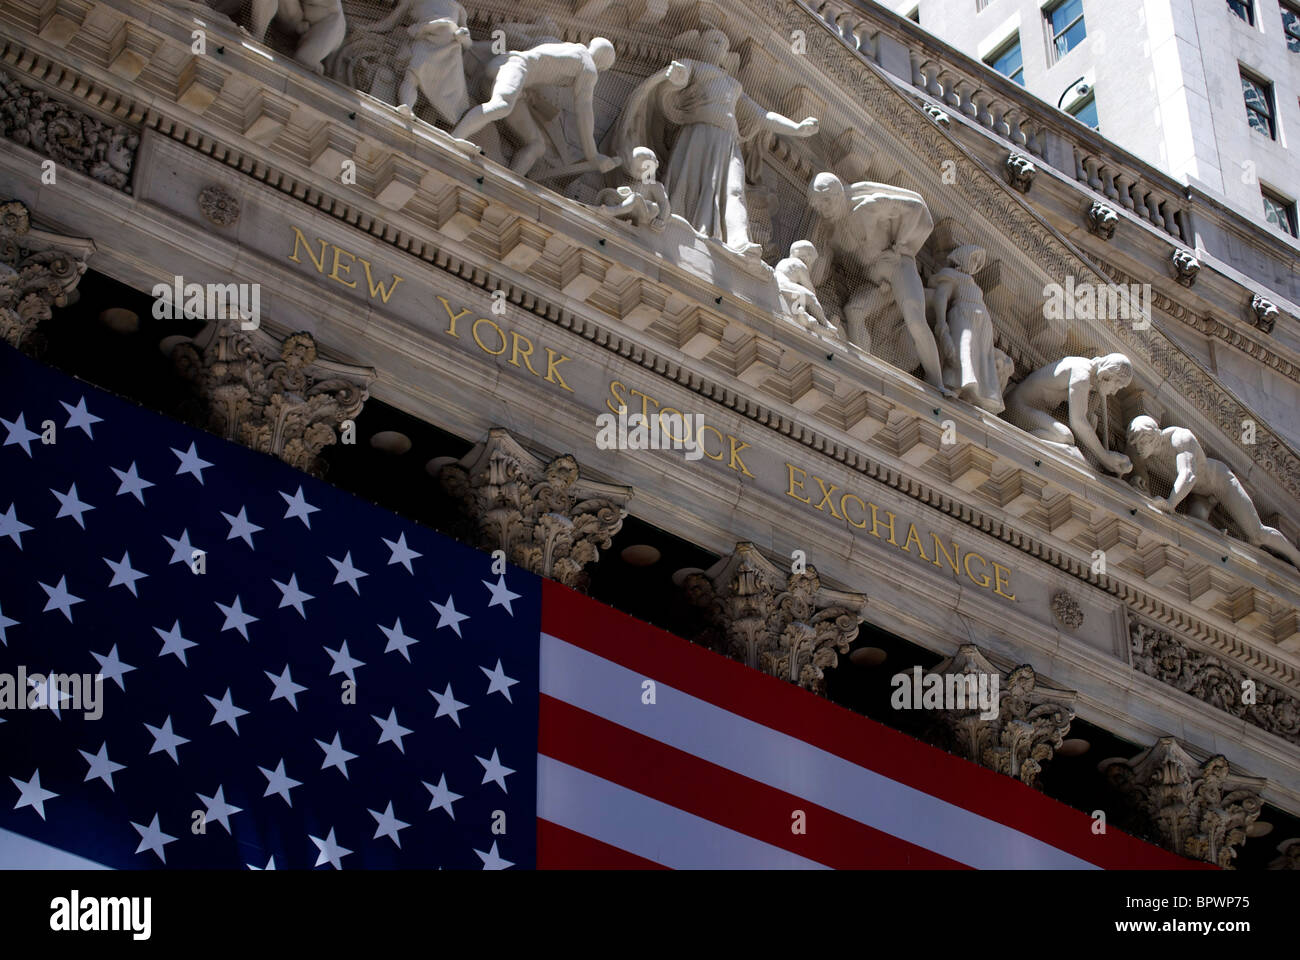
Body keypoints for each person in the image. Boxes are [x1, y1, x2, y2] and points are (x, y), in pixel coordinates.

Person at [610, 29, 818, 257]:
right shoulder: (695, 67)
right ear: (701, 46)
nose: (719, 45)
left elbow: (762, 116)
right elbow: (673, 82)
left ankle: (739, 241)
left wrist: (796, 128)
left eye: (723, 44)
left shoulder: (732, 85)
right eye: (713, 41)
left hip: (728, 145)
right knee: (687, 184)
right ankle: (678, 225)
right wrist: (674, 80)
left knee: (735, 190)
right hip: (698, 136)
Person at [806, 172, 947, 395]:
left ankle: (937, 381)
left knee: (916, 320)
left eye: (825, 203)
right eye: (819, 207)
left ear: (836, 193)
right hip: (876, 285)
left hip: (898, 270)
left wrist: (900, 244)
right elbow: (820, 274)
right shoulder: (833, 231)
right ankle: (864, 368)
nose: (823, 211)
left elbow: (915, 207)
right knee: (854, 312)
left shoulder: (867, 205)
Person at [1126, 415, 1300, 567]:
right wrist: (1139, 478)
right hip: (1195, 495)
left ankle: (1295, 556)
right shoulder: (1145, 451)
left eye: (1142, 442)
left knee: (1257, 534)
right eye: (1136, 443)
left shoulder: (1180, 438)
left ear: (1154, 436)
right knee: (1196, 535)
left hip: (1220, 483)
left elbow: (1188, 475)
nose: (1139, 448)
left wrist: (1170, 504)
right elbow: (1138, 466)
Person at [450, 37, 620, 177]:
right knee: (501, 106)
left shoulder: (564, 46)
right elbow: (584, 109)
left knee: (537, 144)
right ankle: (452, 139)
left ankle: (509, 182)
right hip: (515, 68)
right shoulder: (588, 66)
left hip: (507, 70)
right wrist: (593, 155)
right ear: (602, 65)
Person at [1003, 354, 1133, 473]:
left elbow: (1086, 421)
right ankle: (1017, 446)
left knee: (1077, 434)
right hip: (1016, 408)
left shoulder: (1088, 378)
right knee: (1064, 437)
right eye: (1117, 386)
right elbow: (1078, 422)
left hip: (1031, 413)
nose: (1114, 392)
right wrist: (1105, 457)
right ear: (1105, 375)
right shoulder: (1081, 373)